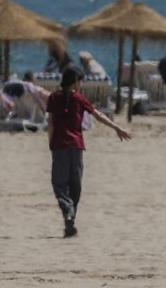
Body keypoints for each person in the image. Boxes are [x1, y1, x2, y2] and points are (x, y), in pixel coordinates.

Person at [46, 67, 132, 237]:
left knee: (59, 185)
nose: (82, 84)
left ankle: (68, 213)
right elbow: (98, 115)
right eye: (81, 81)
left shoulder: (53, 97)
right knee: (75, 187)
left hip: (59, 146)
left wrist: (51, 143)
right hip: (76, 147)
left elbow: (50, 124)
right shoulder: (79, 98)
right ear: (76, 81)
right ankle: (70, 222)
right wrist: (116, 128)